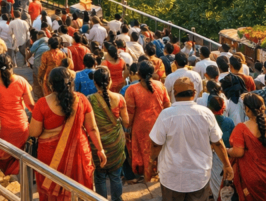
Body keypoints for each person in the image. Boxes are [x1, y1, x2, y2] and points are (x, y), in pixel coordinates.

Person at [148, 75, 233, 201]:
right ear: (194, 93)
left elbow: (156, 144)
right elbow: (217, 143)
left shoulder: (166, 115)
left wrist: (150, 163)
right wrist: (227, 165)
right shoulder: (206, 113)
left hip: (172, 178)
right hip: (199, 177)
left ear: (174, 94)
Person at [28, 67, 106, 201]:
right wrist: (100, 149)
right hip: (79, 153)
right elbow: (92, 128)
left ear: (50, 84)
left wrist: (50, 131)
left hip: (50, 156)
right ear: (70, 82)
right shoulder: (82, 100)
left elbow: (34, 132)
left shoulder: (42, 104)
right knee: (80, 190)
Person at [228, 92, 266, 201]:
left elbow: (238, 152)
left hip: (250, 177)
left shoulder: (241, 128)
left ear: (247, 109)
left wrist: (227, 150)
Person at [0, 53, 36, 175]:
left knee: (1, 155)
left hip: (0, 128)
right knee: (18, 156)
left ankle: (5, 175)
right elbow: (30, 105)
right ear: (12, 65)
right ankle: (14, 175)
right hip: (20, 128)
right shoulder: (21, 81)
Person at [127, 61, 171, 180]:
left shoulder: (132, 89)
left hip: (140, 126)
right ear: (153, 72)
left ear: (138, 73)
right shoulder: (160, 85)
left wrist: (127, 127)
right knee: (159, 150)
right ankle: (158, 175)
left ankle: (147, 176)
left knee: (144, 151)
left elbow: (130, 113)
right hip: (159, 124)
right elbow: (167, 105)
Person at [91, 67, 129, 201]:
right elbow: (126, 123)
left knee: (100, 177)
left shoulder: (90, 100)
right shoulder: (119, 98)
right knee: (115, 176)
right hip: (116, 143)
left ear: (95, 83)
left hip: (98, 145)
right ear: (110, 81)